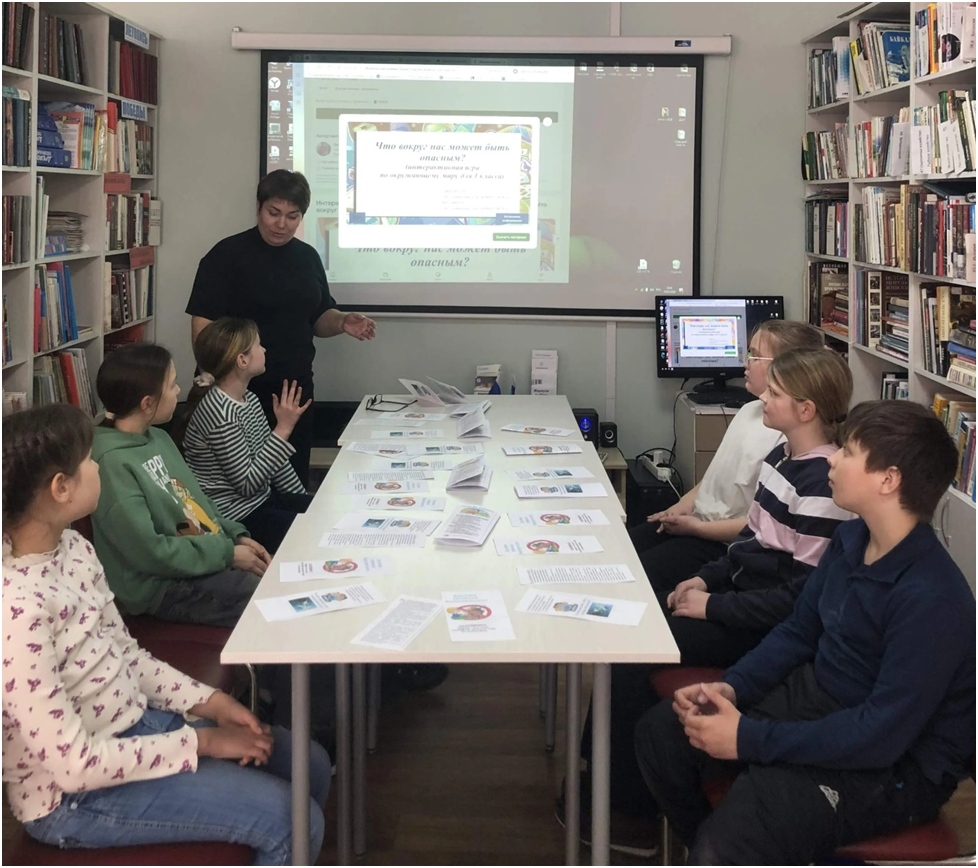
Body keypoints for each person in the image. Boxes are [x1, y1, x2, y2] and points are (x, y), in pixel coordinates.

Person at [634, 401, 975, 866]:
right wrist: (732, 687)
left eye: (848, 452)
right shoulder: (852, 539)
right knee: (662, 736)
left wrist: (749, 738)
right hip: (823, 703)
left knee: (735, 834)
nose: (833, 460)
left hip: (896, 767)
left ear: (888, 479)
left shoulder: (933, 598)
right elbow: (797, 632)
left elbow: (881, 734)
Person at [2, 403, 331, 864]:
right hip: (74, 798)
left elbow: (126, 656)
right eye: (89, 461)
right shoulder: (17, 608)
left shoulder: (73, 549)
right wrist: (203, 741)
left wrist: (211, 703)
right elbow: (73, 765)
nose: (99, 467)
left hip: (135, 727)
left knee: (310, 765)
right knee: (295, 822)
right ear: (61, 488)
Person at [562, 346, 854, 855]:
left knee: (634, 648)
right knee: (636, 624)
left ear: (806, 410)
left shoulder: (822, 489)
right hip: (738, 600)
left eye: (776, 393)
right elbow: (748, 545)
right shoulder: (781, 459)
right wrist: (704, 580)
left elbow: (795, 602)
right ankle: (604, 770)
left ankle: (628, 808)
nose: (764, 398)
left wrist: (713, 606)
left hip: (759, 625)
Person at [186, 169, 377, 488]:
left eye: (292, 216)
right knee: (245, 486)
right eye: (273, 213)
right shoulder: (226, 256)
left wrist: (342, 321)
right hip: (239, 392)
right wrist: (217, 380)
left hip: (294, 390)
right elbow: (202, 324)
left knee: (292, 479)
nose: (282, 224)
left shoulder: (307, 257)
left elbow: (319, 318)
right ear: (258, 208)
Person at [629, 320, 825, 593]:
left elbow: (758, 524)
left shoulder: (785, 437)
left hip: (721, 543)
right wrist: (681, 506)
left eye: (755, 355)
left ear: (787, 366)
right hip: (696, 522)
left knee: (635, 575)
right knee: (622, 546)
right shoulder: (748, 411)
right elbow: (716, 475)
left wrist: (694, 528)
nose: (746, 362)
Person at [90, 343, 270, 627]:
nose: (178, 391)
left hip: (200, 558)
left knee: (275, 580)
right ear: (147, 403)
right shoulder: (111, 464)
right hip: (161, 587)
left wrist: (234, 536)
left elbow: (198, 503)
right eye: (172, 385)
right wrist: (227, 555)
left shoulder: (158, 438)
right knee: (269, 601)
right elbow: (149, 552)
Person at [175, 317, 313, 554]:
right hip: (236, 517)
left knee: (321, 514)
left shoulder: (249, 399)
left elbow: (276, 464)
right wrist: (283, 429)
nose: (264, 349)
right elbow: (247, 485)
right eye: (258, 345)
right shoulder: (220, 413)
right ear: (242, 360)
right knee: (314, 533)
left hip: (260, 502)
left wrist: (300, 499)